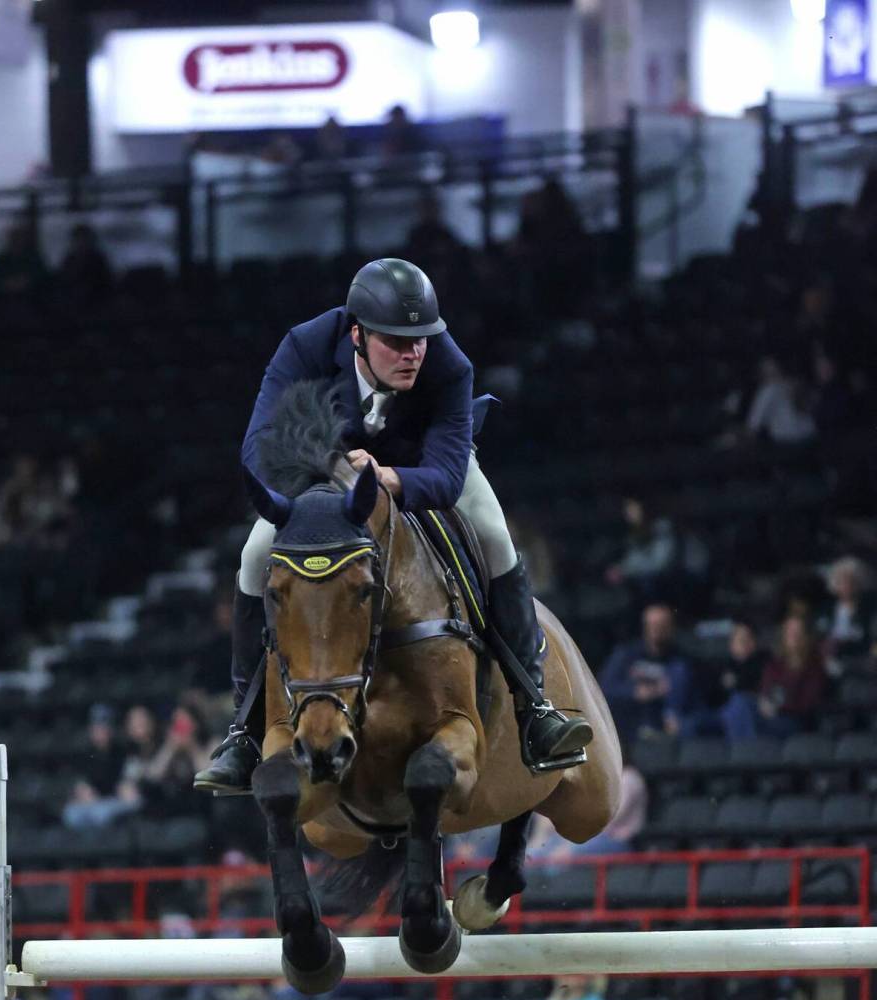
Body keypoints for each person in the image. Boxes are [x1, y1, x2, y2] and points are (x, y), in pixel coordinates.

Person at [196, 257, 592, 794]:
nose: (412, 354)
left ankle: (535, 707)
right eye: (396, 342)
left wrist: (390, 477)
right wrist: (332, 474)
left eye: (421, 340)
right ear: (357, 334)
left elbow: (448, 476)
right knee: (252, 556)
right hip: (327, 471)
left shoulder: (448, 366)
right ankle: (244, 731)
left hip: (420, 464)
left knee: (496, 537)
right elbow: (260, 449)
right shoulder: (306, 346)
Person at [600, 604, 698, 740]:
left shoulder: (680, 661)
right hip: (630, 721)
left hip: (666, 722)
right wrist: (634, 692)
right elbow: (606, 688)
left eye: (662, 625)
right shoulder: (626, 655)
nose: (656, 630)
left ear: (671, 627)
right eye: (652, 625)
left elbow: (688, 697)